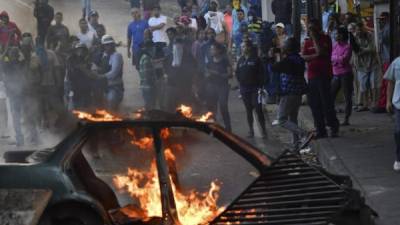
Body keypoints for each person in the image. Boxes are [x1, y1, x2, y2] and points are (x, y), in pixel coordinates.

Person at [271, 38, 311, 150]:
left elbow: (274, 68)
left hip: (288, 93)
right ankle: (295, 144)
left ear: (288, 48)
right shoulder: (298, 59)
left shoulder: (288, 61)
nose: (282, 46)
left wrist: (273, 57)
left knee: (281, 119)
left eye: (284, 45)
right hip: (297, 93)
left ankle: (304, 134)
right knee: (293, 119)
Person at [302, 19, 339, 138]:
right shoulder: (307, 42)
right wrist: (315, 55)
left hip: (324, 76)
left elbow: (321, 52)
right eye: (309, 28)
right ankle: (320, 129)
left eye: (313, 28)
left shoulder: (325, 39)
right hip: (312, 76)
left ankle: (333, 126)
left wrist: (315, 40)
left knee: (326, 103)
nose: (311, 31)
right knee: (315, 104)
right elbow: (304, 56)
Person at [236, 41, 267, 138]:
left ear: (249, 47)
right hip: (244, 89)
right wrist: (240, 86)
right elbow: (237, 73)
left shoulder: (256, 59)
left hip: (255, 88)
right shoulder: (240, 60)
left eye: (244, 46)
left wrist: (261, 86)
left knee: (258, 109)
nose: (242, 48)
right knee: (248, 110)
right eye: (241, 46)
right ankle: (251, 130)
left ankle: (264, 130)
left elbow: (262, 73)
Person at [353, 22, 379, 112]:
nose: (359, 31)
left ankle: (374, 103)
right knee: (363, 85)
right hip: (361, 65)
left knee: (373, 84)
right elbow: (354, 50)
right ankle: (365, 104)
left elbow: (372, 48)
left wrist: (361, 50)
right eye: (357, 30)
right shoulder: (354, 38)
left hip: (372, 63)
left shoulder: (370, 35)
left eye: (360, 29)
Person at [205, 43, 232, 132]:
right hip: (212, 86)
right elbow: (206, 72)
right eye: (211, 49)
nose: (211, 51)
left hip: (222, 86)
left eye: (213, 49)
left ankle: (228, 128)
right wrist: (208, 74)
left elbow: (230, 74)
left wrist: (219, 74)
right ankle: (214, 128)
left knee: (223, 106)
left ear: (219, 50)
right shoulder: (210, 61)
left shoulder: (224, 61)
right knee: (212, 107)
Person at [331, 27, 353, 126]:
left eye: (339, 34)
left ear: (343, 35)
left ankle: (346, 118)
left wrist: (336, 60)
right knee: (331, 95)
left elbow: (344, 59)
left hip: (345, 74)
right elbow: (331, 57)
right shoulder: (335, 46)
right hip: (336, 74)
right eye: (336, 34)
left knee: (347, 96)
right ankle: (332, 117)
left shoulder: (348, 47)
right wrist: (338, 60)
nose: (336, 36)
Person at [97, 35, 124, 111]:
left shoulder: (117, 56)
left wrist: (100, 76)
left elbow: (114, 72)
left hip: (115, 88)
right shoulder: (103, 56)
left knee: (112, 105)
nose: (108, 47)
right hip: (104, 87)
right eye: (106, 45)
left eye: (110, 44)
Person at [65, 43, 93, 110]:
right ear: (76, 50)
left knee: (86, 106)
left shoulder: (87, 60)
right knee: (72, 105)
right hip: (72, 85)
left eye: (83, 50)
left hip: (84, 87)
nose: (81, 52)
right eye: (79, 50)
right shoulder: (71, 59)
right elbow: (70, 73)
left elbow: (89, 73)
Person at [373, 12, 391, 114]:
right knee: (385, 82)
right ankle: (383, 103)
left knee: (387, 82)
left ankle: (384, 104)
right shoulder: (385, 28)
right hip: (385, 58)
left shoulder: (388, 29)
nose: (381, 21)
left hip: (388, 59)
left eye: (383, 19)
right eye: (380, 19)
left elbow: (384, 40)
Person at [384, 57, 400, 171]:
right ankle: (399, 158)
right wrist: (388, 101)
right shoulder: (396, 62)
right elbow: (390, 82)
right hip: (398, 103)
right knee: (398, 131)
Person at [139, 39, 157, 110]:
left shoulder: (144, 57)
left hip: (145, 86)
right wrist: (154, 84)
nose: (154, 50)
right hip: (149, 87)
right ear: (150, 48)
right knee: (150, 107)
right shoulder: (147, 59)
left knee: (148, 106)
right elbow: (147, 74)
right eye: (153, 48)